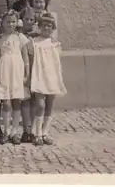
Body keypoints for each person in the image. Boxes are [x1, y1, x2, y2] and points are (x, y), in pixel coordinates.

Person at [29, 13, 67, 146]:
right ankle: (36, 133)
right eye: (44, 25)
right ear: (39, 27)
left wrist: (58, 77)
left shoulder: (55, 44)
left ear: (53, 28)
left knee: (49, 106)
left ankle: (45, 133)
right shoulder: (34, 42)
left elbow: (57, 62)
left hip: (51, 76)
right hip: (39, 76)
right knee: (40, 105)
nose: (46, 28)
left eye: (49, 26)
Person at [0, 10, 31, 145]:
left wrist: (26, 74)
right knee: (6, 103)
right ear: (2, 23)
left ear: (17, 23)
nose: (11, 24)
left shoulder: (20, 37)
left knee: (17, 102)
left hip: (17, 71)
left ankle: (15, 132)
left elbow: (25, 57)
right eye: (8, 22)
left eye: (13, 22)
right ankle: (6, 131)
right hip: (4, 71)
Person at [19, 6, 38, 143]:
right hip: (22, 70)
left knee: (35, 100)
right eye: (27, 19)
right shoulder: (19, 36)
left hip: (36, 70)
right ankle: (26, 129)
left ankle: (33, 129)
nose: (29, 22)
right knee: (25, 100)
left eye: (32, 19)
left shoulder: (37, 36)